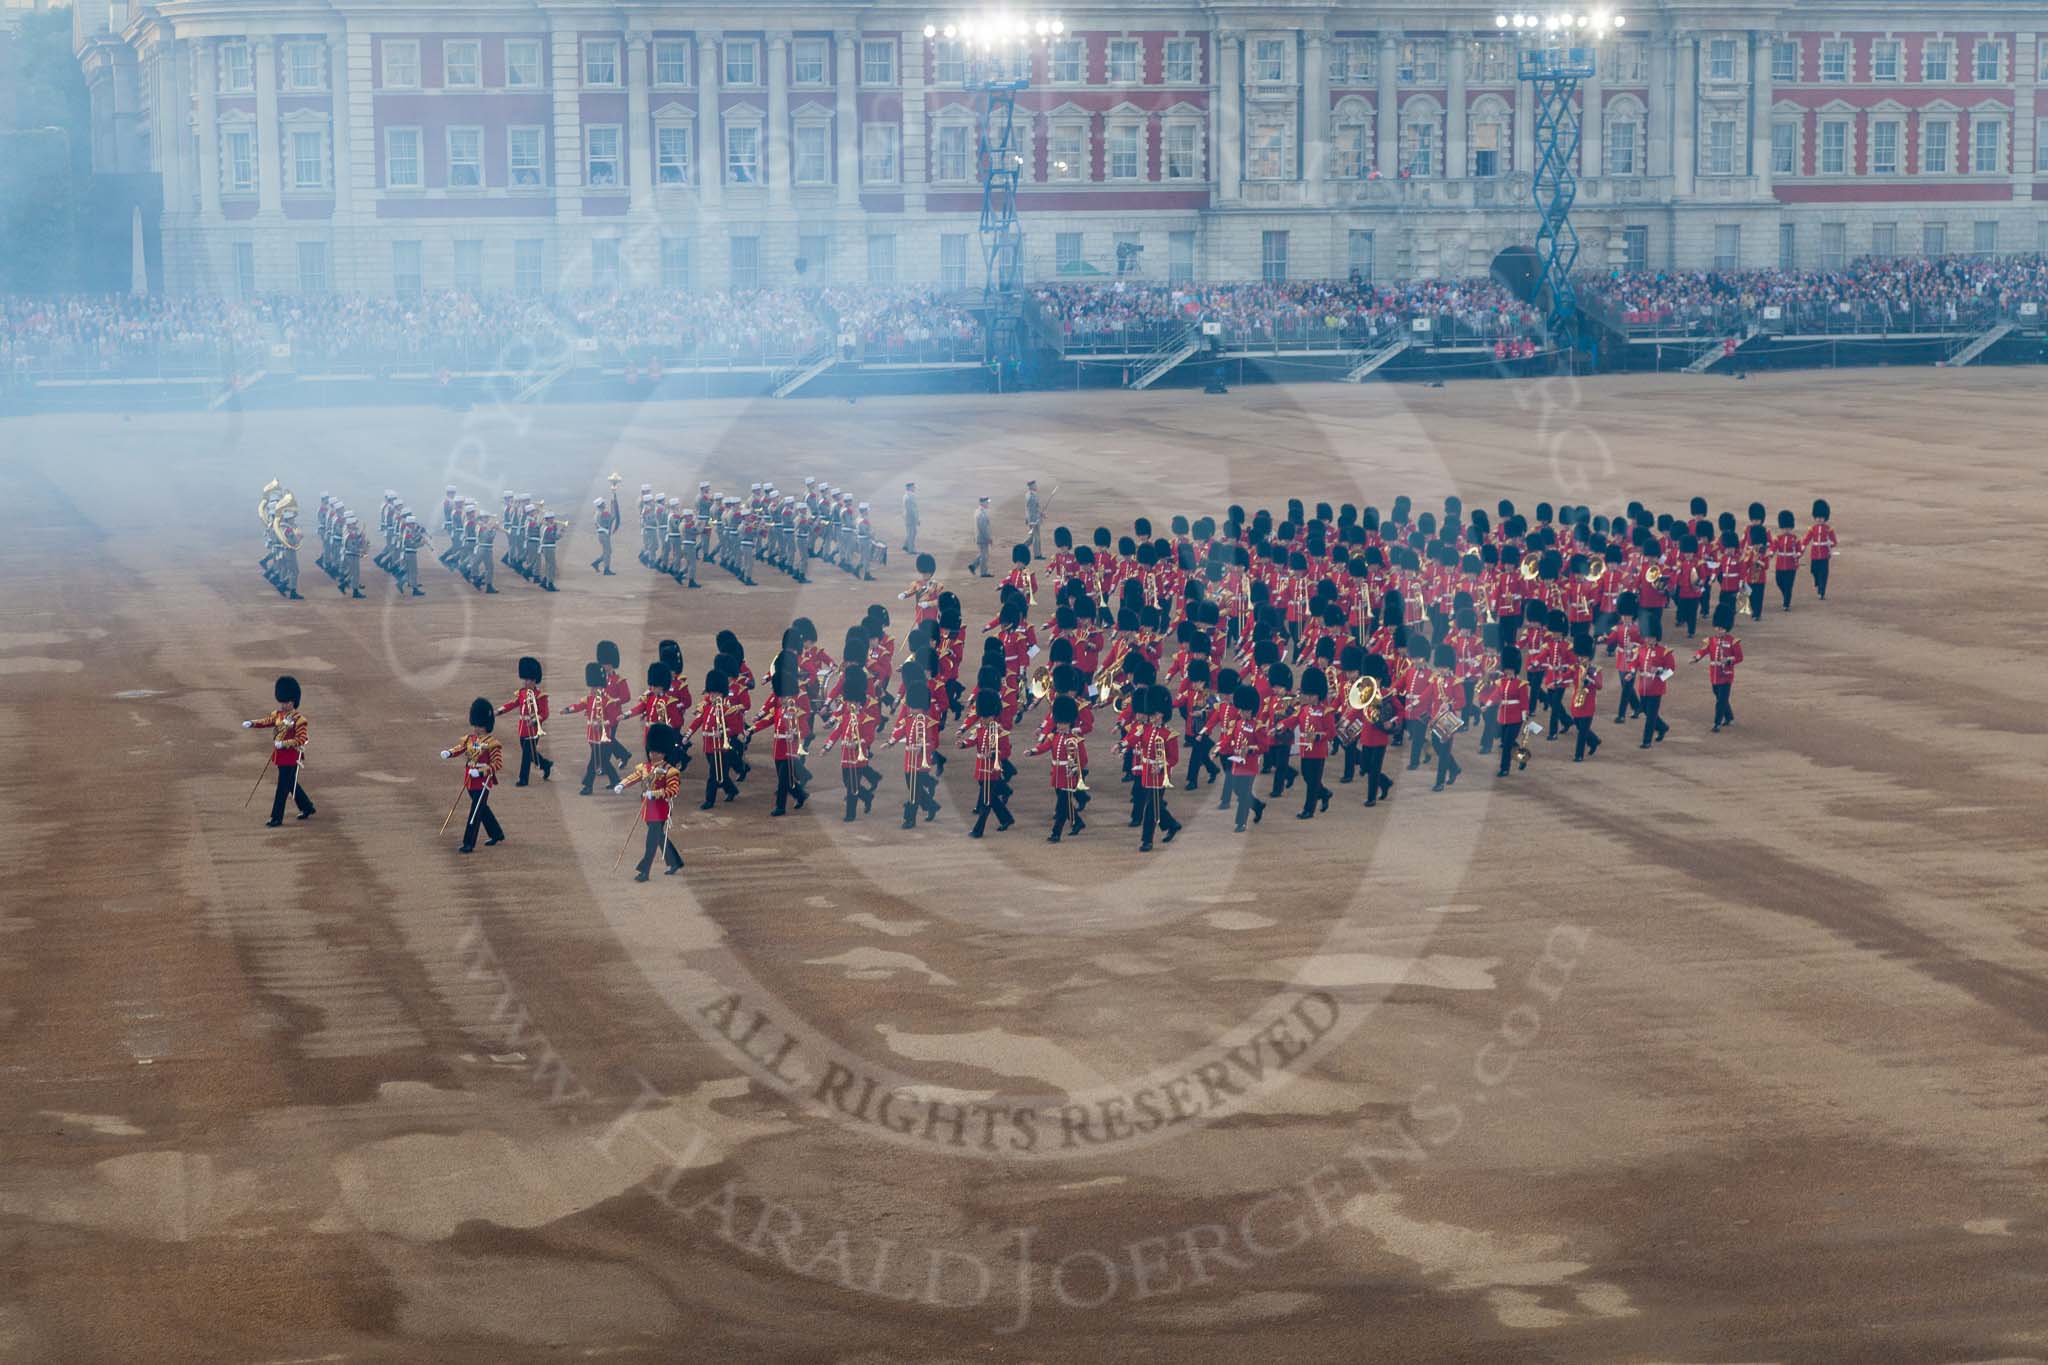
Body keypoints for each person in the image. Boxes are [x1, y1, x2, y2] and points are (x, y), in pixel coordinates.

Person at [243, 674, 315, 826]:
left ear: (293, 701)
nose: (283, 705)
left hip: (292, 756)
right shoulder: (278, 715)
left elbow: (302, 739)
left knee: (282, 788)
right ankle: (307, 806)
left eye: (286, 702)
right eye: (282, 702)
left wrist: (284, 744)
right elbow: (266, 721)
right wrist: (252, 723)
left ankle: (276, 817)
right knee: (290, 784)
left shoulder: (300, 719)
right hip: (281, 757)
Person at [616, 723, 685, 880]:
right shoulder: (645, 767)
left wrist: (654, 794)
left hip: (661, 809)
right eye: (652, 751)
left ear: (664, 753)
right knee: (659, 837)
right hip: (647, 808)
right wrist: (622, 784)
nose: (654, 755)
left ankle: (644, 870)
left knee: (651, 841)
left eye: (658, 752)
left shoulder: (671, 771)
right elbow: (635, 777)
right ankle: (675, 862)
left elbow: (673, 790)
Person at [751, 651, 812, 816]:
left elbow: (805, 727)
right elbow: (771, 719)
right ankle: (801, 794)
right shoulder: (780, 703)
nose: (782, 698)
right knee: (787, 779)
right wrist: (753, 728)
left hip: (789, 749)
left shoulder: (795, 706)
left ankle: (780, 807)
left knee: (783, 781)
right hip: (778, 747)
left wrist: (797, 736)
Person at [443, 698, 506, 852]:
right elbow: (460, 748)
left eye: (479, 725)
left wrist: (480, 771)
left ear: (485, 725)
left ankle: (468, 843)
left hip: (483, 782)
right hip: (470, 780)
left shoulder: (492, 743)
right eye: (475, 725)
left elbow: (497, 764)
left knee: (475, 812)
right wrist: (449, 753)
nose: (476, 728)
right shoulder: (471, 739)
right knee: (482, 808)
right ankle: (497, 833)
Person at [1028, 693, 1089, 841]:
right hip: (1057, 773)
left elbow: (1083, 758)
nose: (1060, 726)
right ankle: (1078, 822)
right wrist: (1032, 751)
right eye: (1059, 723)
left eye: (1063, 723)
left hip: (1069, 775)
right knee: (1065, 802)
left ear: (1069, 723)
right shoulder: (1054, 736)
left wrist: (1074, 768)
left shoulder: (1075, 739)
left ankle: (1056, 833)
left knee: (1062, 806)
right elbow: (1044, 747)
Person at [1131, 686, 1182, 851]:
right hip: (1146, 771)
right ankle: (1172, 824)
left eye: (1154, 714)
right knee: (1155, 805)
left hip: (1160, 775)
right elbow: (1133, 738)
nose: (1151, 717)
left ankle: (1147, 840)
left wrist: (1161, 765)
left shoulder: (1169, 734)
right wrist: (1121, 745)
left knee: (1150, 809)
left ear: (1161, 714)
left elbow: (1174, 758)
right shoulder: (1146, 729)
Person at [958, 687, 1014, 836]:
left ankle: (978, 830)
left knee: (986, 802)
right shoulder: (980, 728)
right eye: (982, 716)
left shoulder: (1000, 731)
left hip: (992, 771)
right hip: (981, 769)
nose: (982, 719)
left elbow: (1006, 751)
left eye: (986, 717)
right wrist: (963, 744)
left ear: (993, 715)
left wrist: (995, 753)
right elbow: (973, 740)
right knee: (992, 799)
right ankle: (1006, 818)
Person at [564, 661, 621, 795]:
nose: (592, 690)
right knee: (604, 762)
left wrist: (602, 724)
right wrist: (568, 710)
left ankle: (588, 785)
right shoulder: (590, 699)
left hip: (603, 737)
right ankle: (615, 780)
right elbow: (579, 706)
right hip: (592, 737)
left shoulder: (608, 701)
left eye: (595, 688)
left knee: (593, 763)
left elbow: (613, 719)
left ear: (601, 687)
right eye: (592, 688)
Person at [1218, 684, 1268, 831]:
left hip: (1250, 764)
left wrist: (1251, 749)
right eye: (1240, 710)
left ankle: (1241, 823)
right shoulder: (1237, 723)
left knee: (1244, 794)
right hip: (1237, 763)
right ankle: (1257, 805)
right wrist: (1219, 749)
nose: (1240, 712)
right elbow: (1228, 739)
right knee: (1238, 790)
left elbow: (1264, 747)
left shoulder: (1258, 727)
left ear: (1251, 710)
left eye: (1243, 710)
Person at [498, 656, 553, 785]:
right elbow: (512, 704)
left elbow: (545, 713)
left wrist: (535, 720)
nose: (526, 682)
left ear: (534, 681)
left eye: (529, 680)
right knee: (531, 753)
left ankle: (523, 779)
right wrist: (499, 711)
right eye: (526, 679)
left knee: (526, 756)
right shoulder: (522, 693)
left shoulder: (541, 696)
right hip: (523, 728)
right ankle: (545, 764)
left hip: (533, 729)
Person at [1291, 666, 1337, 818]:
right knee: (1307, 776)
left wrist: (1318, 736)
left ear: (1319, 695)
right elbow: (1293, 719)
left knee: (1312, 783)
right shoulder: (1304, 709)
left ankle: (1308, 810)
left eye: (1312, 695)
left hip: (1318, 751)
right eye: (1307, 695)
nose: (1309, 698)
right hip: (1305, 749)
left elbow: (1331, 732)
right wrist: (1280, 726)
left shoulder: (1326, 711)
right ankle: (1324, 793)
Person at [1479, 647, 1532, 778]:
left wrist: (1525, 717)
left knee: (1507, 744)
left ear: (1514, 668)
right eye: (1506, 668)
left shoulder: (1521, 684)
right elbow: (1496, 695)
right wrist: (1487, 705)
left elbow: (1524, 702)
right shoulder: (1501, 682)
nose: (1507, 671)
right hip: (1503, 716)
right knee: (1507, 741)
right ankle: (1521, 757)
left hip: (1516, 717)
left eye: (1509, 668)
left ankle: (1504, 768)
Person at [1695, 599, 1744, 731]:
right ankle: (1729, 717)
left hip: (1726, 675)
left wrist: (1728, 660)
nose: (1719, 630)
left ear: (1726, 628)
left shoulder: (1733, 642)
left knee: (1721, 700)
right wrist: (1696, 657)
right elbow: (1703, 650)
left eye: (1722, 628)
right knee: (1719, 697)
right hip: (1715, 674)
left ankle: (1717, 723)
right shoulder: (1711, 640)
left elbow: (1739, 657)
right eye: (1718, 627)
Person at [1633, 629, 1676, 747]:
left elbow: (1671, 670)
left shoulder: (1664, 652)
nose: (1648, 640)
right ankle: (1662, 727)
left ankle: (1646, 741)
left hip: (1656, 688)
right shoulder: (1640, 649)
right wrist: (1631, 671)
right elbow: (1635, 663)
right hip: (1643, 687)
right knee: (1646, 711)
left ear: (1656, 638)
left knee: (1651, 716)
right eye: (1647, 637)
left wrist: (1659, 671)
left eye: (1651, 638)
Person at [1563, 638, 1602, 762]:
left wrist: (1590, 680)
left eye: (1583, 657)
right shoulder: (1575, 668)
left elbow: (1599, 685)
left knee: (1582, 732)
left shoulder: (1595, 670)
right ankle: (1594, 740)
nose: (1581, 659)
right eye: (1580, 657)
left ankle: (1578, 755)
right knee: (1580, 727)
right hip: (1576, 702)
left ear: (1589, 658)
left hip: (1589, 704)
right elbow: (1565, 676)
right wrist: (1558, 679)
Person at [1802, 498, 1836, 600]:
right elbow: (1807, 539)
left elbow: (1834, 541)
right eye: (1817, 517)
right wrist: (1803, 546)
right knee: (1814, 570)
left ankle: (1822, 591)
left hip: (1825, 554)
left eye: (1821, 517)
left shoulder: (1829, 529)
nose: (1819, 519)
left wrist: (1830, 543)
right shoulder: (1812, 529)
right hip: (1815, 553)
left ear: (1825, 517)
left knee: (1824, 573)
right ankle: (1817, 581)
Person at [1769, 510, 1803, 611]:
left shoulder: (1795, 539)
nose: (1786, 530)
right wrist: (1771, 553)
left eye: (1788, 528)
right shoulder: (1778, 538)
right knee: (1779, 581)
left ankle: (1786, 603)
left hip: (1791, 566)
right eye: (1784, 528)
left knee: (1788, 585)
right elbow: (1773, 548)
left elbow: (1799, 550)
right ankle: (1786, 595)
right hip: (1780, 565)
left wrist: (1797, 555)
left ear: (1791, 528)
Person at [591, 493, 618, 575]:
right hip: (604, 534)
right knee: (607, 552)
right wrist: (613, 505)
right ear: (601, 505)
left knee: (608, 551)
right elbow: (613, 517)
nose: (605, 504)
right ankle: (606, 569)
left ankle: (596, 562)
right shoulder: (603, 513)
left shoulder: (597, 513)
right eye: (603, 503)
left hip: (602, 534)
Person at [971, 496, 994, 577]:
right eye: (986, 502)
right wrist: (988, 538)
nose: (988, 503)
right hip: (982, 538)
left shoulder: (979, 511)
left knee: (983, 553)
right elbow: (983, 528)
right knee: (984, 555)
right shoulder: (981, 513)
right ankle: (983, 572)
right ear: (982, 503)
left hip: (980, 537)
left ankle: (973, 566)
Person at [1025, 480, 1044, 560]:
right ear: (1031, 486)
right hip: (1033, 520)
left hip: (1035, 519)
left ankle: (1023, 547)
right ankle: (1037, 555)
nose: (1036, 486)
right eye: (1035, 485)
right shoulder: (1031, 496)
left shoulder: (1032, 495)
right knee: (1036, 538)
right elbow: (1031, 511)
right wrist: (1033, 521)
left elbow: (1036, 508)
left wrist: (1041, 514)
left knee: (1033, 537)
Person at [901, 481, 919, 553]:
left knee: (911, 532)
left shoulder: (906, 495)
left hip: (908, 517)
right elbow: (912, 509)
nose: (914, 488)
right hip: (911, 518)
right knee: (912, 533)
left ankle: (905, 545)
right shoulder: (910, 496)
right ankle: (910, 549)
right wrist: (916, 519)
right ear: (909, 487)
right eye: (913, 487)